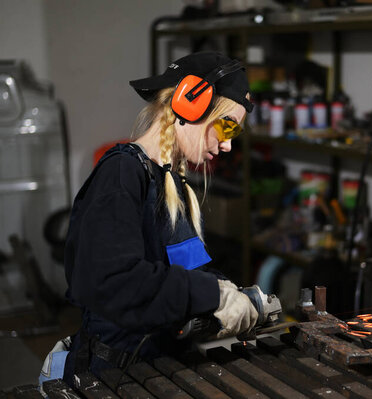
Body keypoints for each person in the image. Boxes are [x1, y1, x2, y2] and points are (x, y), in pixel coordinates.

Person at [57, 51, 258, 385]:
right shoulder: (121, 175)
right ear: (189, 103)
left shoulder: (172, 184)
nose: (227, 146)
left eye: (233, 134)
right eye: (226, 127)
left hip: (159, 369)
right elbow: (113, 282)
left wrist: (226, 289)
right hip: (114, 376)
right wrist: (213, 295)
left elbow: (183, 272)